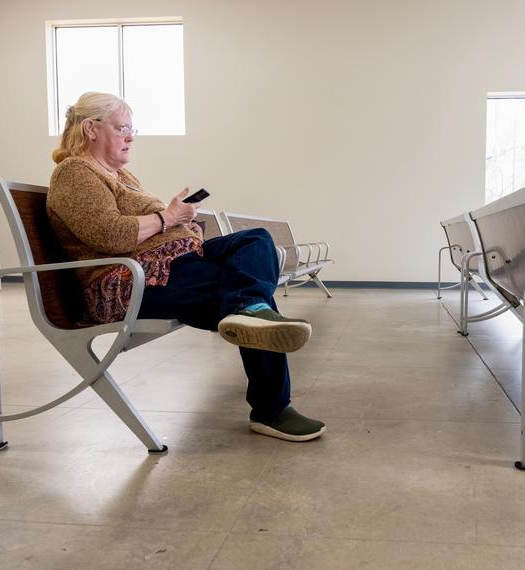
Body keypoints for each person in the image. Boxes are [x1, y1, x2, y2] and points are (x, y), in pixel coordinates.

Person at [47, 92, 325, 442]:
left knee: (254, 241)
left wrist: (182, 222)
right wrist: (168, 217)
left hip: (167, 266)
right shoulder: (75, 173)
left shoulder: (122, 175)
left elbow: (149, 226)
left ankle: (249, 309)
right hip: (128, 282)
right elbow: (110, 235)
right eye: (122, 128)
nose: (130, 136)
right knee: (246, 294)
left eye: (133, 128)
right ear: (90, 128)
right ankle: (272, 406)